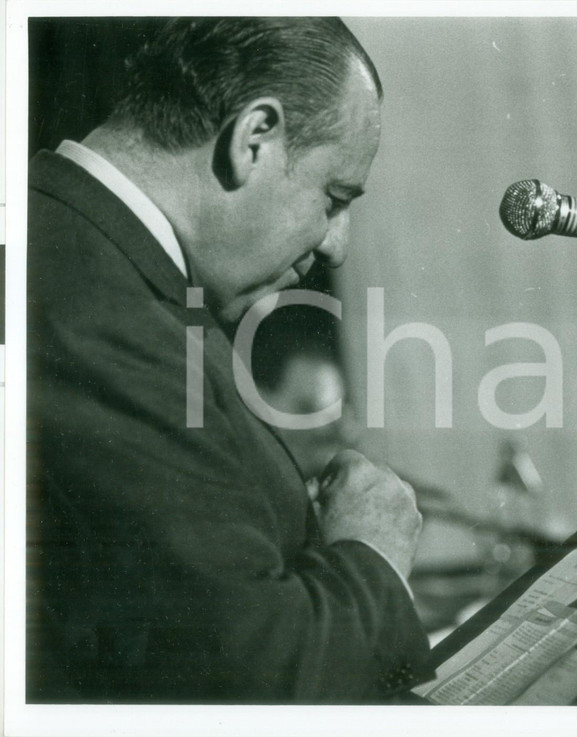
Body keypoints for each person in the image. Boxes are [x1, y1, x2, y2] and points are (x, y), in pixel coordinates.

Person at [26, 18, 432, 703]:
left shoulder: (105, 262)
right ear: (254, 138)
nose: (336, 245)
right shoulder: (94, 299)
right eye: (333, 199)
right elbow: (255, 676)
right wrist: (371, 555)